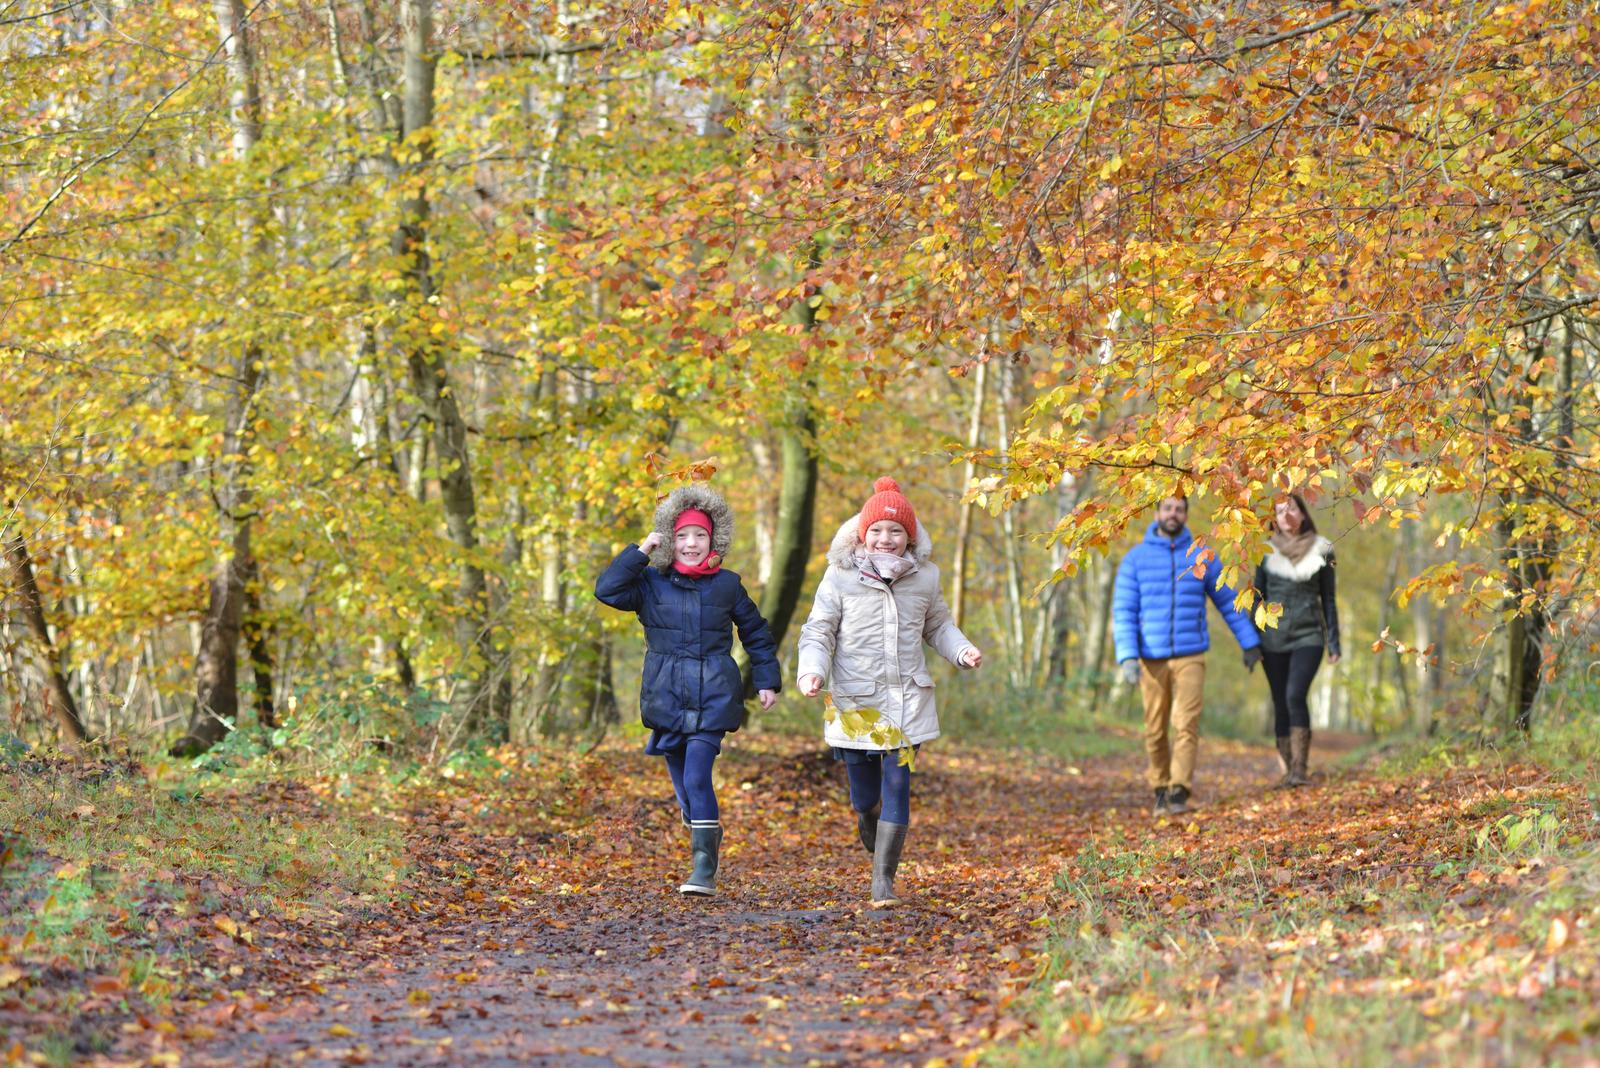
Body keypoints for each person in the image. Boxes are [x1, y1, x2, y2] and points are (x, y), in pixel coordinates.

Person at [796, 477, 982, 907]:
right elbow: (818, 631)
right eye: (877, 530)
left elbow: (938, 626)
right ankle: (868, 817)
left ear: (909, 537)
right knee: (865, 795)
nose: (886, 539)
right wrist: (812, 671)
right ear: (863, 534)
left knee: (898, 783)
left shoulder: (926, 577)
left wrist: (962, 650)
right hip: (856, 700)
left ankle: (883, 883)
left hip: (907, 699)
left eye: (896, 531)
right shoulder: (839, 576)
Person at [594, 484, 780, 896]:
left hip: (714, 693)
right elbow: (607, 590)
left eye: (699, 535)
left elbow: (756, 633)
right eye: (682, 536)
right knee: (684, 788)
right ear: (670, 540)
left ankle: (703, 869)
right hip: (666, 694)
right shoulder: (649, 583)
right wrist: (641, 551)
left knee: (698, 775)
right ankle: (702, 824)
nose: (692, 544)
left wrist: (767, 679)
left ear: (714, 540)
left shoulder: (727, 585)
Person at [1113, 494, 1261, 817]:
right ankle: (1160, 788)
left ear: (1186, 515)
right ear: (1156, 513)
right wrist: (1127, 656)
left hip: (1191, 653)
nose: (1173, 514)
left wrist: (1249, 642)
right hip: (1150, 657)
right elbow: (1123, 611)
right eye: (1167, 508)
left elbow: (1227, 601)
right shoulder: (1135, 560)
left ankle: (1179, 790)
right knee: (1155, 728)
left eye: (1179, 509)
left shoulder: (1202, 557)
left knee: (1186, 722)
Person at [1253, 494, 1340, 787]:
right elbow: (1256, 597)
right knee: (1280, 701)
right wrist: (1252, 643)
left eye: (1291, 508)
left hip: (1309, 635)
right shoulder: (1264, 551)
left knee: (1294, 694)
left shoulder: (1324, 549)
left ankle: (1300, 770)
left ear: (1302, 513)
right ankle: (1287, 770)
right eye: (1279, 511)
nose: (1286, 515)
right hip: (1271, 639)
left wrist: (1334, 643)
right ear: (1274, 519)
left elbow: (1328, 598)